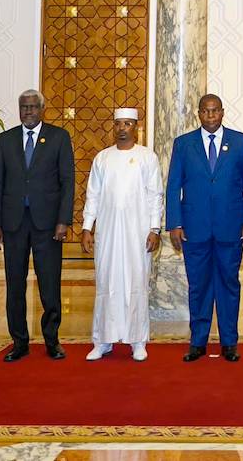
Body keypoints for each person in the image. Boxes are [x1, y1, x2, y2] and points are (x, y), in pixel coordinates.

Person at [166, 94, 243, 363]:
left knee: (229, 285)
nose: (210, 116)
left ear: (222, 112)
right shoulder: (183, 144)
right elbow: (174, 185)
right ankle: (198, 342)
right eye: (205, 111)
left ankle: (230, 342)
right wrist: (174, 223)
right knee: (198, 287)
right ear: (198, 113)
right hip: (194, 230)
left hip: (231, 229)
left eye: (215, 111)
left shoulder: (241, 142)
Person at [0, 89, 75, 362]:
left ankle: (52, 340)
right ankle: (19, 342)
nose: (28, 112)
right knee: (15, 285)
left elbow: (67, 182)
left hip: (48, 224)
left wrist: (63, 221)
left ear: (42, 109)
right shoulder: (5, 140)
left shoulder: (59, 138)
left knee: (49, 284)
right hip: (13, 223)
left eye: (33, 107)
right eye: (23, 107)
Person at [81, 108, 164, 362]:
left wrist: (154, 228)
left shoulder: (147, 157)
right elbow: (92, 194)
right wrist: (87, 226)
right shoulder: (102, 158)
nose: (122, 128)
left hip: (138, 233)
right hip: (107, 233)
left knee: (136, 284)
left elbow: (155, 195)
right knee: (106, 283)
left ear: (136, 127)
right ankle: (102, 340)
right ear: (113, 127)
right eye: (118, 124)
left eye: (128, 123)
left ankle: (137, 340)